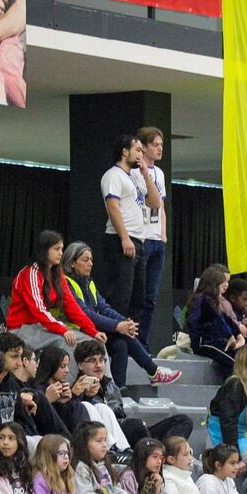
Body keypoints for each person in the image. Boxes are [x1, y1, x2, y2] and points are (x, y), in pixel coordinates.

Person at [62, 241, 179, 386]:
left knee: (120, 344)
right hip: (77, 331)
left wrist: (125, 322)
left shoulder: (89, 283)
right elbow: (86, 314)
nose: (90, 264)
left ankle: (117, 389)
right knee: (122, 335)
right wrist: (117, 326)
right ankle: (153, 371)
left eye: (91, 260)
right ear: (72, 263)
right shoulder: (66, 284)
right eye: (85, 260)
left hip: (93, 330)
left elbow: (104, 308)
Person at [6, 230, 108, 351]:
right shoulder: (30, 274)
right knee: (66, 341)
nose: (61, 253)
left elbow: (71, 306)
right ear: (44, 250)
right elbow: (38, 310)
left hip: (41, 327)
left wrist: (93, 331)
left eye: (61, 249)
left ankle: (96, 364)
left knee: (96, 342)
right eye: (56, 249)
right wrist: (62, 330)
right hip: (21, 329)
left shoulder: (58, 275)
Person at [102, 133, 159, 320]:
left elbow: (155, 203)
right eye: (138, 150)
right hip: (120, 239)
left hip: (139, 241)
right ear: (125, 152)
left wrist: (146, 175)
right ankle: (114, 335)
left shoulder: (135, 177)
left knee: (138, 299)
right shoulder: (113, 175)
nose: (141, 155)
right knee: (120, 296)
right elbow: (113, 207)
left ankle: (131, 335)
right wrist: (125, 238)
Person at [208, 343, 247, 466]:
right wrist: (235, 458)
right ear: (246, 364)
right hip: (225, 441)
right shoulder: (235, 386)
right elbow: (228, 423)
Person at [135, 127, 168, 350]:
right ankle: (134, 342)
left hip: (157, 238)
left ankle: (143, 342)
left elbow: (161, 206)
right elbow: (150, 201)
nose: (160, 148)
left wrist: (163, 234)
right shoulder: (135, 172)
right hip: (142, 237)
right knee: (139, 295)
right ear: (144, 147)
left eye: (161, 145)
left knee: (151, 297)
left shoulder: (160, 173)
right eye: (155, 144)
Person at [186, 264, 244, 370]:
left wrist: (237, 333)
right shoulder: (202, 299)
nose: (226, 285)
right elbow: (217, 319)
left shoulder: (212, 301)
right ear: (214, 284)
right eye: (223, 283)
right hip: (204, 343)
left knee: (242, 358)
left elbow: (225, 319)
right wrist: (229, 336)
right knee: (237, 364)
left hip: (214, 341)